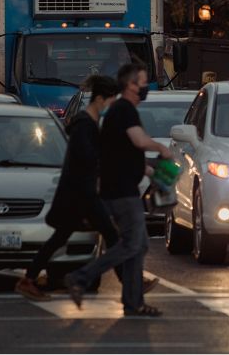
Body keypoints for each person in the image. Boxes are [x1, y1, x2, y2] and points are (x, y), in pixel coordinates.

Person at [65, 62, 172, 317]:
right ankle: (81, 277)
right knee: (131, 245)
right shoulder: (124, 110)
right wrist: (162, 149)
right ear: (131, 85)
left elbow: (124, 154)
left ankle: (133, 302)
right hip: (121, 192)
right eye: (143, 82)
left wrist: (149, 170)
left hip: (121, 188)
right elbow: (138, 141)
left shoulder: (120, 112)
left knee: (139, 245)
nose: (146, 87)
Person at [15, 76, 120, 300]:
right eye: (112, 101)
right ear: (100, 99)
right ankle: (132, 281)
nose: (112, 106)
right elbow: (87, 159)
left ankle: (29, 278)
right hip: (82, 194)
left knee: (61, 238)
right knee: (112, 236)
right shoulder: (84, 125)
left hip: (80, 195)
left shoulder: (88, 124)